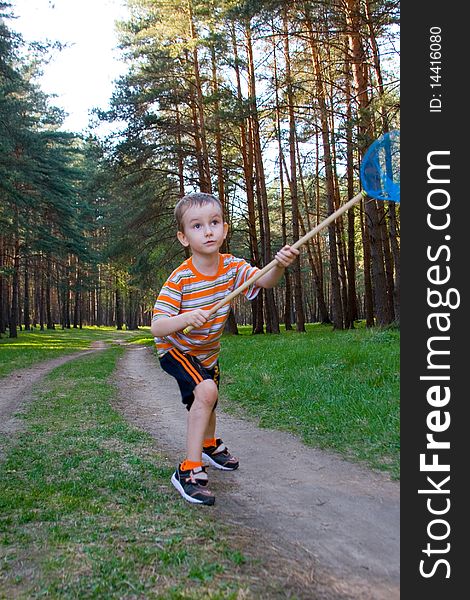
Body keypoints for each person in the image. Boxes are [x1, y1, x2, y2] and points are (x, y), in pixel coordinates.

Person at [151, 192, 299, 505]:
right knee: (206, 393)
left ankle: (208, 444)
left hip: (208, 352)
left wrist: (280, 266)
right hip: (176, 349)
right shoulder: (180, 279)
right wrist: (187, 317)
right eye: (197, 226)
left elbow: (264, 280)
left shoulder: (232, 268)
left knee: (209, 401)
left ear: (225, 229)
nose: (208, 231)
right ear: (183, 237)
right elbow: (157, 326)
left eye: (214, 223)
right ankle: (188, 470)